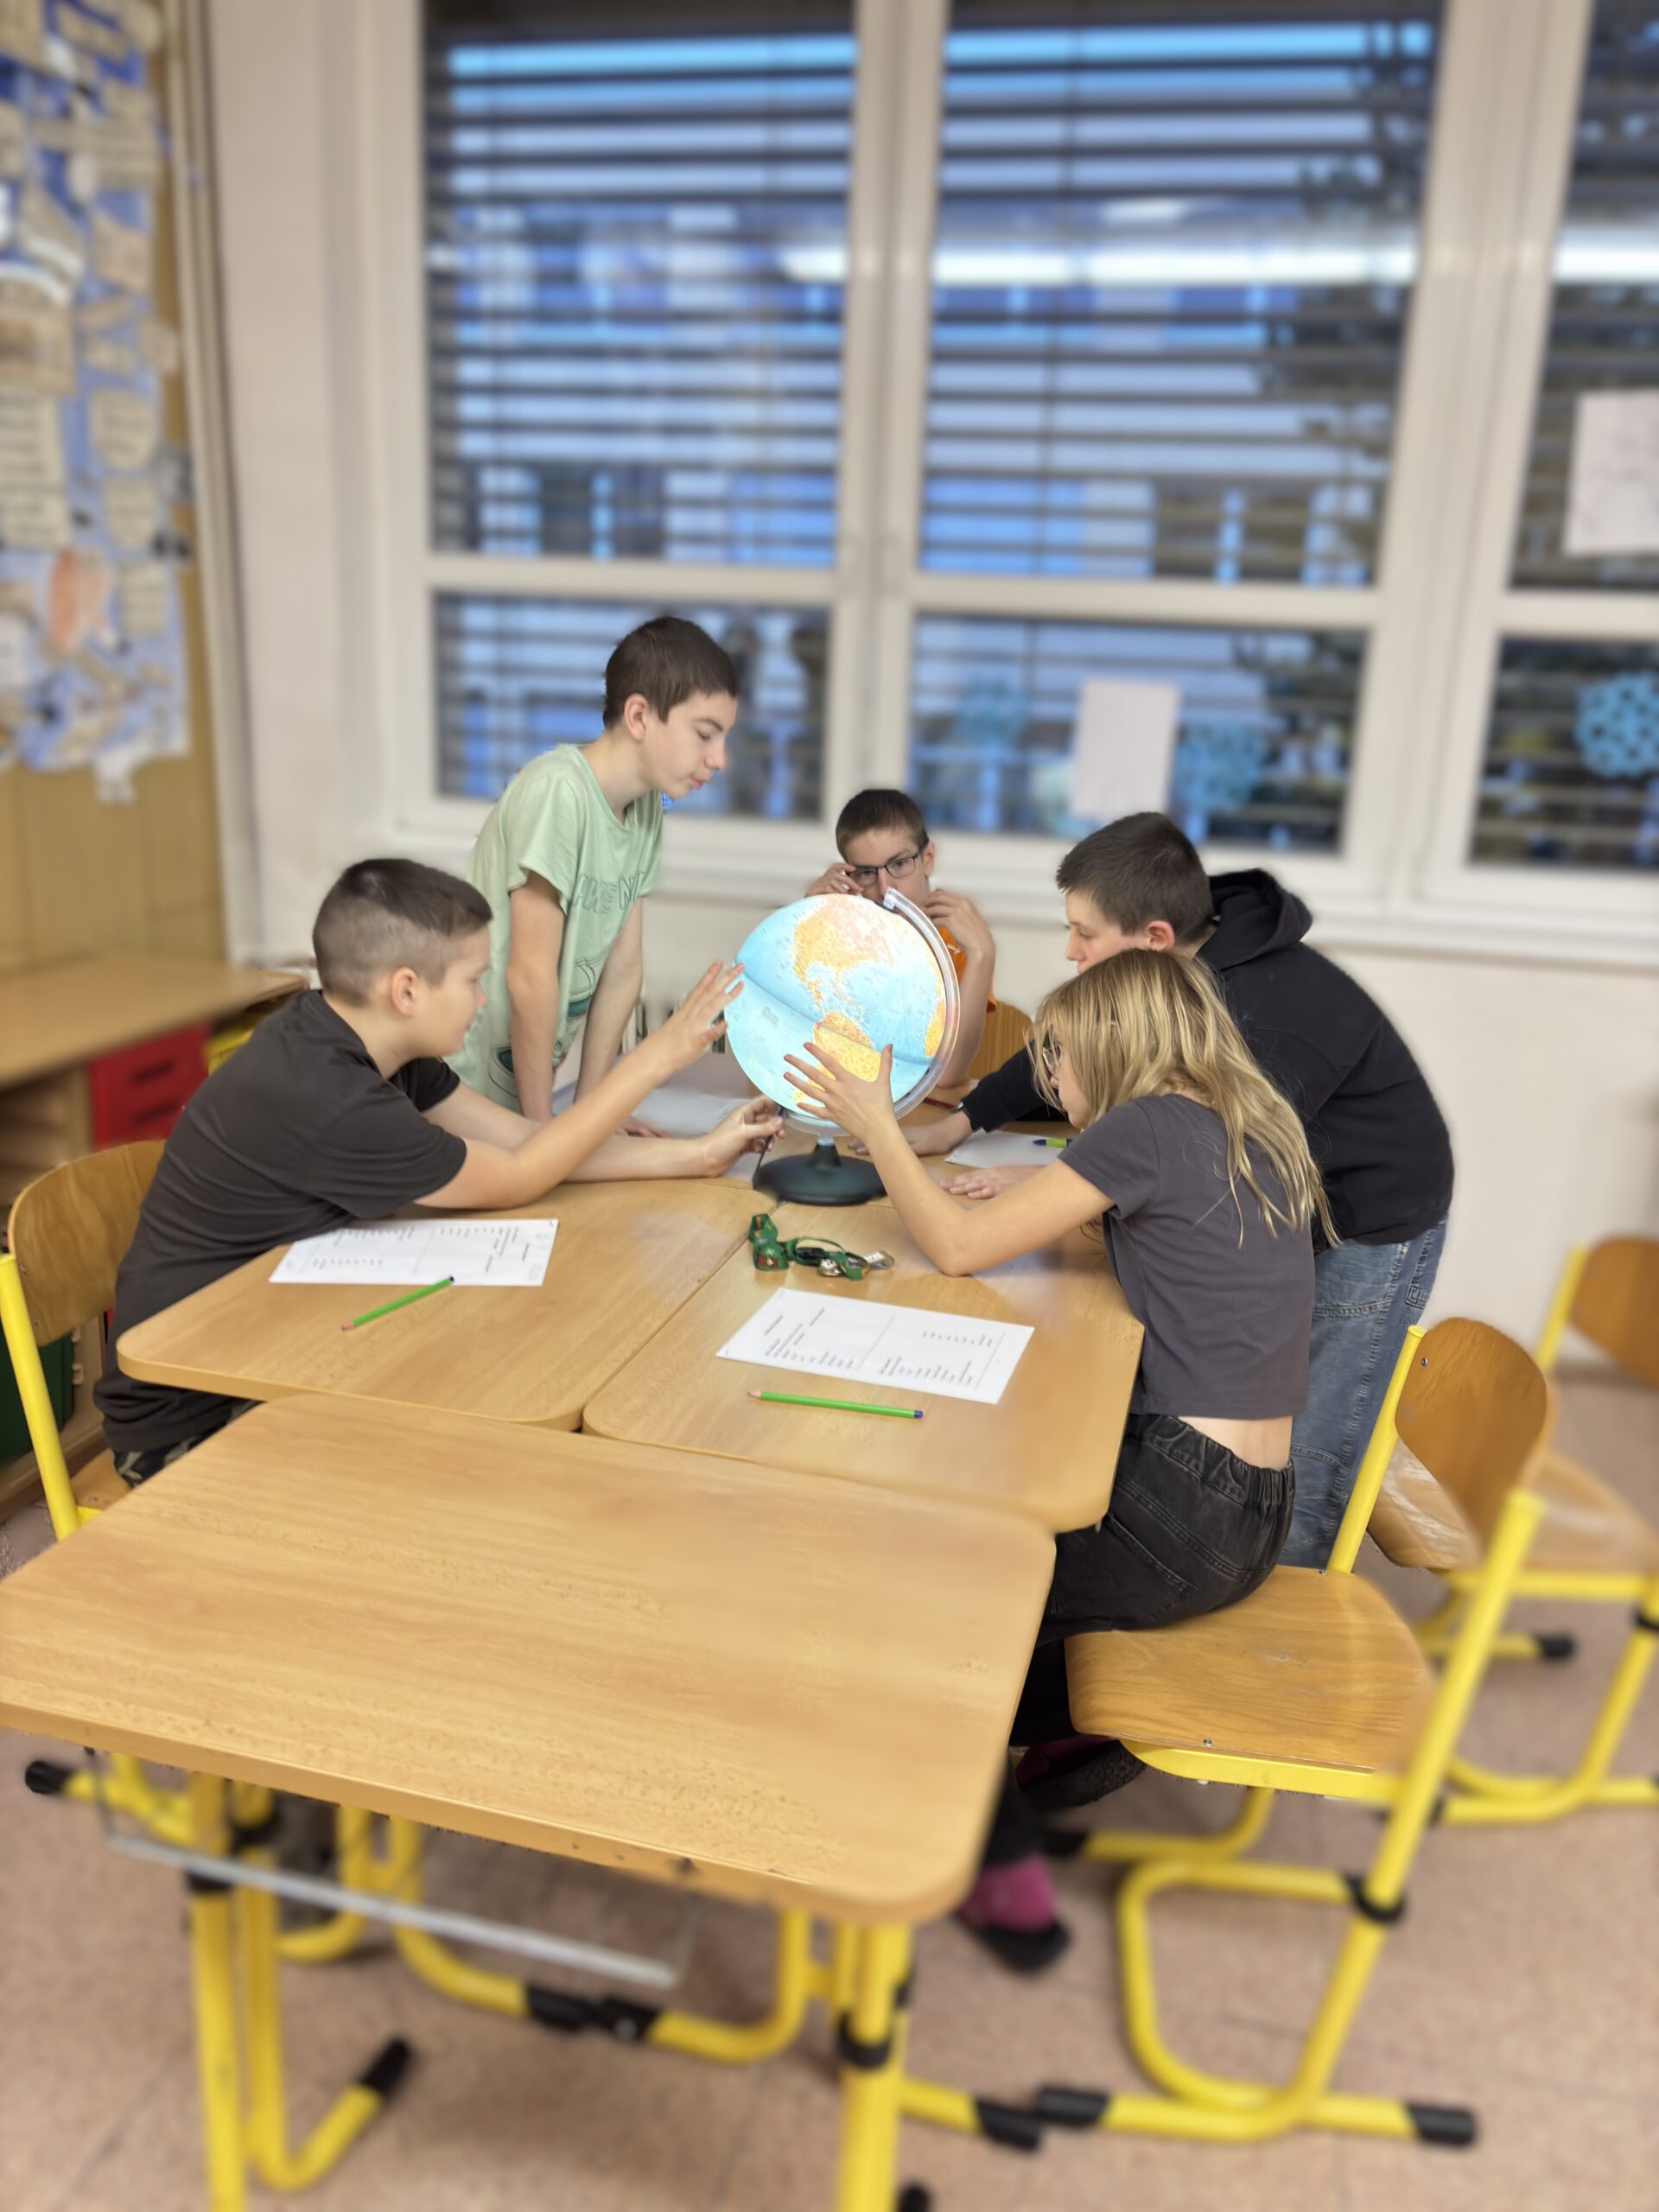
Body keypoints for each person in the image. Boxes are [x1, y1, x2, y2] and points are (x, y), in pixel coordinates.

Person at [786, 949, 1325, 1968]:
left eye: (1059, 1057)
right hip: (1254, 1507)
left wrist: (876, 1127)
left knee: (929, 1605)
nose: (1051, 1081)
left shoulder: (1141, 1129)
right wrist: (1043, 1182)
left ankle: (1002, 1882)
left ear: (1118, 1047)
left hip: (1181, 1507)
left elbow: (955, 1247)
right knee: (1006, 1517)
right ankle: (1079, 1723)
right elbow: (1162, 1207)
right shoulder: (1244, 1118)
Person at [96, 858, 774, 1483]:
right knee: (463, 1461)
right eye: (473, 980)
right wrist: (654, 1060)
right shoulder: (330, 1098)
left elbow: (529, 1144)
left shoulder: (361, 1041)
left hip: (277, 1347)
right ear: (406, 991)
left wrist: (696, 1156)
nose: (482, 1000)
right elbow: (520, 1174)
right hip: (191, 1418)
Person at [905, 814, 1452, 1568]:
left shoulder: (1263, 1018)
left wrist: (1077, 1182)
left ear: (1154, 938)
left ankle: (1275, 1609)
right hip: (1281, 1192)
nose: (1072, 951)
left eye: (1085, 935)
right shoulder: (1171, 971)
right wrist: (963, 1121)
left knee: (1309, 1449)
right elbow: (1080, 1043)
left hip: (1372, 1212)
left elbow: (1210, 1168)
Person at [450, 615, 739, 1122]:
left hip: (526, 1096)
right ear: (639, 716)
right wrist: (547, 1136)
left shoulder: (646, 808)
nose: (720, 759)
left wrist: (594, 1116)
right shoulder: (557, 792)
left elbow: (623, 971)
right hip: (465, 1086)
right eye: (704, 734)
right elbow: (530, 977)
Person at [806, 788, 995, 1085]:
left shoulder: (958, 941)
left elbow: (946, 1075)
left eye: (899, 864)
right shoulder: (842, 936)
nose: (885, 889)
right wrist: (805, 922)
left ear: (928, 859)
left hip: (921, 1107)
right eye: (866, 873)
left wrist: (983, 955)